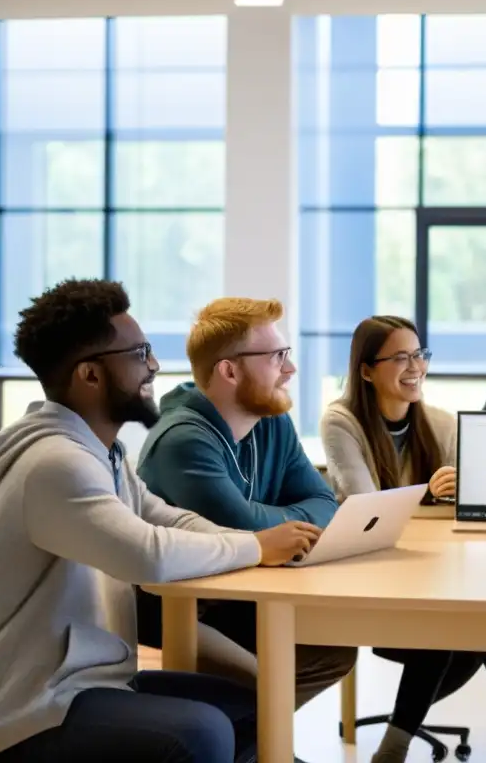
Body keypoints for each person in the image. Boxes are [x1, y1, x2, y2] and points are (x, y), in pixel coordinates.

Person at [0, 279, 322, 763]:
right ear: (90, 375)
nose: (155, 365)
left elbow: (167, 518)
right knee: (200, 732)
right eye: (140, 353)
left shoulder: (101, 452)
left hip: (90, 679)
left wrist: (257, 539)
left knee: (252, 707)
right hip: (31, 704)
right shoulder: (55, 463)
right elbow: (146, 553)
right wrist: (256, 547)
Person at [321, 316, 486, 763]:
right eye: (399, 357)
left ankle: (399, 747)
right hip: (373, 581)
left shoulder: (441, 424)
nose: (415, 366)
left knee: (475, 620)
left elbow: (475, 506)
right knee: (471, 624)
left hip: (431, 574)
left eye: (419, 354)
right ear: (366, 370)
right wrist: (432, 495)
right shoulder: (342, 421)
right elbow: (366, 505)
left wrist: (469, 491)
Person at [136, 297, 357, 712]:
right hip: (182, 607)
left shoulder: (271, 419)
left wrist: (276, 527)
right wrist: (274, 527)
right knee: (268, 680)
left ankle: (255, 743)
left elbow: (324, 500)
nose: (289, 369)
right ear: (230, 370)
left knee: (333, 649)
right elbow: (243, 529)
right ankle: (259, 743)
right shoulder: (183, 441)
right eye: (277, 357)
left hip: (243, 589)